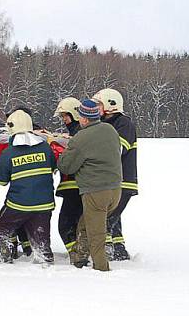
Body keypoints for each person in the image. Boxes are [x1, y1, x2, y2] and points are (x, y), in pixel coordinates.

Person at [57, 99, 122, 272]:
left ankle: (102, 269)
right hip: (116, 190)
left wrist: (63, 153)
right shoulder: (110, 130)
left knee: (96, 235)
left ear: (84, 118)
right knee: (84, 225)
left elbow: (66, 166)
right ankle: (80, 259)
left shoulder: (81, 137)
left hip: (96, 192)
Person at [0, 109, 56, 264]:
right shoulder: (46, 148)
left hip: (18, 204)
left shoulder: (9, 153)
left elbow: (1, 181)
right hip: (45, 203)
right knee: (40, 237)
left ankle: (6, 256)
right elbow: (53, 169)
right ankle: (45, 259)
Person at [93, 88, 138, 261]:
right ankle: (119, 250)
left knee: (106, 218)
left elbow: (117, 150)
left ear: (111, 105)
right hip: (112, 181)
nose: (96, 109)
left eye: (99, 105)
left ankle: (107, 252)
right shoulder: (106, 124)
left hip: (122, 181)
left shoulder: (123, 123)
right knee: (113, 217)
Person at [53, 97, 83, 263]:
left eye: (65, 115)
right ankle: (79, 251)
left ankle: (76, 254)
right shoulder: (76, 131)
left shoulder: (77, 132)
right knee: (76, 223)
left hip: (74, 185)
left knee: (65, 224)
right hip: (76, 186)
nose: (63, 119)